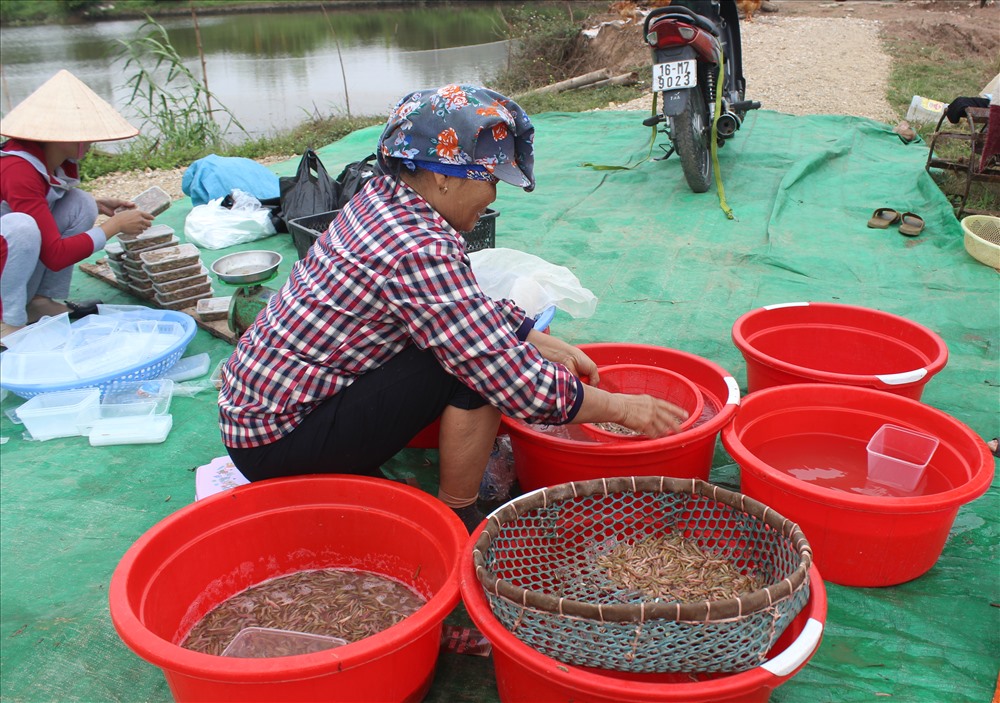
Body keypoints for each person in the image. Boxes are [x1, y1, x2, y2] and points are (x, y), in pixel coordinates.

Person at [218, 84, 687, 531]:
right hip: (278, 444)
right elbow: (509, 377)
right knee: (470, 366)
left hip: (263, 414)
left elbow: (454, 307)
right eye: (490, 180)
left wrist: (534, 335)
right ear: (442, 175)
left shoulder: (386, 199)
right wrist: (625, 409)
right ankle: (456, 513)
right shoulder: (414, 246)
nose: (494, 197)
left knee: (477, 345)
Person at [0, 69, 154, 336]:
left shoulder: (51, 163)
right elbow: (55, 255)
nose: (91, 140)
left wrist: (98, 205)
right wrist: (114, 225)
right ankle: (9, 322)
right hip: (8, 250)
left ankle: (39, 302)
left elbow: (40, 206)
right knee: (21, 227)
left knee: (81, 202)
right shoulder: (17, 169)